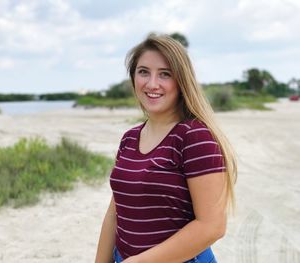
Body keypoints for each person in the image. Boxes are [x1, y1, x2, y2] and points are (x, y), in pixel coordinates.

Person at [95, 33, 237, 263]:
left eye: (165, 74)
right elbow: (116, 212)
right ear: (133, 78)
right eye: (143, 72)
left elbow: (212, 226)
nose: (152, 84)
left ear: (181, 81)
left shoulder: (194, 136)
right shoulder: (130, 138)